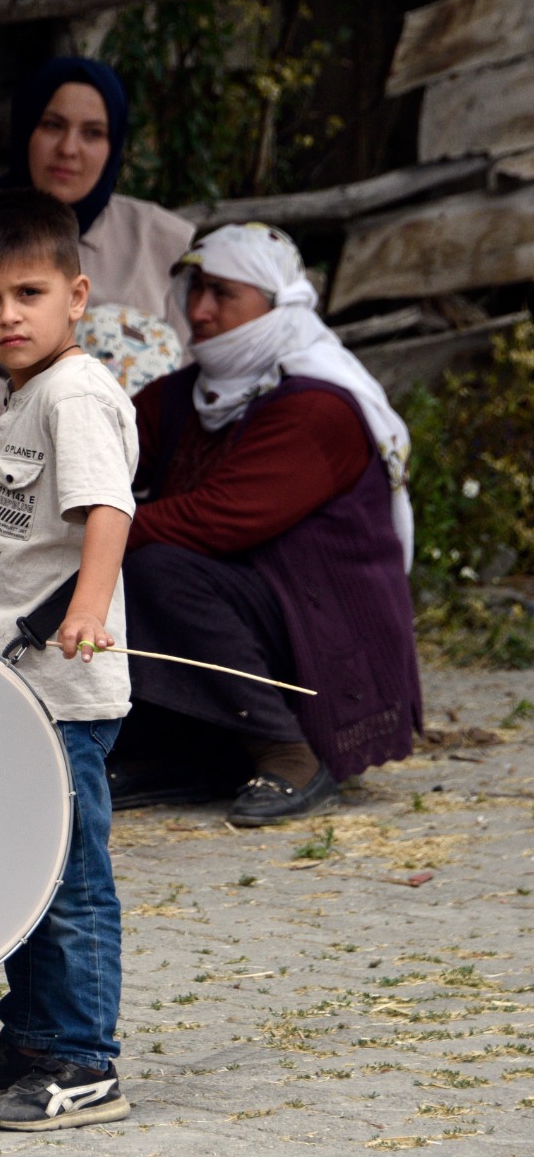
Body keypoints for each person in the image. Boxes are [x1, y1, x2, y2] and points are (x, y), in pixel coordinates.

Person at [0, 188, 135, 1131]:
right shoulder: (26, 397)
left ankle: (86, 1060)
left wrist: (89, 605)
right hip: (14, 685)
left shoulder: (76, 394)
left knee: (72, 879)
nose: (10, 315)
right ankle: (33, 1036)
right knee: (23, 866)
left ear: (77, 296)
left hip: (65, 686)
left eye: (31, 294)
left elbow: (108, 511)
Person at [112, 223, 421, 826]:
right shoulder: (184, 395)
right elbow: (105, 457)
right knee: (128, 561)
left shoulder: (317, 408)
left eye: (222, 293)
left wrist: (94, 536)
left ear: (277, 305)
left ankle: (290, 750)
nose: (199, 311)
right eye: (195, 289)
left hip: (319, 628)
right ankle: (181, 755)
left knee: (151, 565)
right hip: (245, 610)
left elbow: (217, 521)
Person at [0, 57, 196, 413]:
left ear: (114, 144)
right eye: (53, 125)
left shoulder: (163, 240)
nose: (69, 149)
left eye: (92, 133)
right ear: (26, 129)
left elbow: (193, 365)